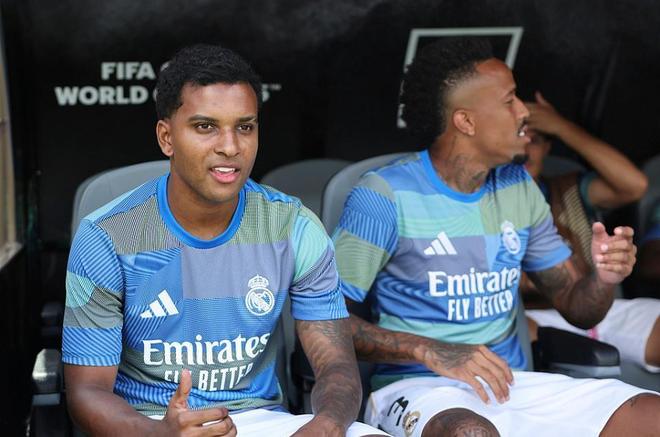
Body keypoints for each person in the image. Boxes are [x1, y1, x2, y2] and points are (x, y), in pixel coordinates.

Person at [332, 38, 660, 437]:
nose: (524, 112)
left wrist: (603, 278)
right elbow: (325, 322)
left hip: (511, 384)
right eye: (509, 101)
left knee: (651, 415)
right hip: (420, 388)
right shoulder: (384, 195)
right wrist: (431, 349)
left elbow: (580, 309)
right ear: (465, 121)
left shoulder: (517, 186)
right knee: (469, 433)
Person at [62, 44, 385, 437]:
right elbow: (87, 392)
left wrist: (327, 425)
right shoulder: (107, 235)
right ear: (166, 137)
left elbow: (337, 365)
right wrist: (157, 433)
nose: (230, 147)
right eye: (205, 127)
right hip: (153, 423)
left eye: (244, 127)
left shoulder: (293, 226)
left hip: (259, 420)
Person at [519, 97, 660, 372]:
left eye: (535, 140)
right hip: (535, 318)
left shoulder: (567, 187)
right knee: (519, 336)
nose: (525, 148)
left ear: (547, 147)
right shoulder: (482, 198)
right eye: (519, 135)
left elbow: (634, 185)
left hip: (601, 306)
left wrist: (560, 126)